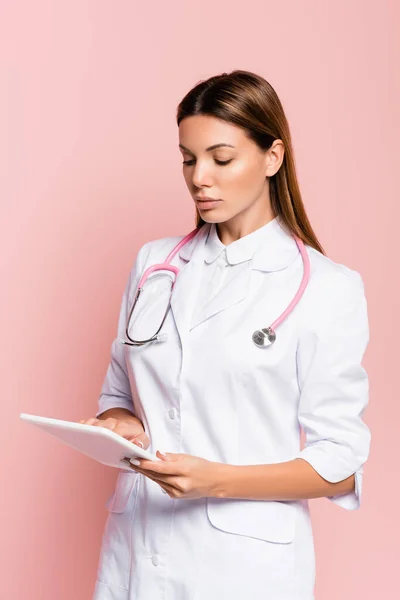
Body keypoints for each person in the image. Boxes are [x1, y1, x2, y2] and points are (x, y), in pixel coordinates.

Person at [80, 70, 371, 600]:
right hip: (137, 555)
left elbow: (341, 467)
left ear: (272, 157)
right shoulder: (154, 265)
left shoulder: (328, 288)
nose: (199, 178)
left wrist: (217, 480)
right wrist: (116, 424)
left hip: (247, 568)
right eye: (189, 159)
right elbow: (119, 396)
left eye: (221, 158)